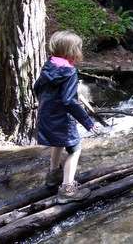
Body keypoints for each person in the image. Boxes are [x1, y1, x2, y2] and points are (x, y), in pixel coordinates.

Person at [34, 30, 97, 204]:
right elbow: (68, 101)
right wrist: (87, 122)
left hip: (46, 114)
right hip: (62, 117)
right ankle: (67, 189)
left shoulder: (48, 66)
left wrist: (45, 104)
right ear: (72, 51)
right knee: (75, 149)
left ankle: (53, 175)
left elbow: (36, 87)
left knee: (58, 142)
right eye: (79, 48)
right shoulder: (69, 72)